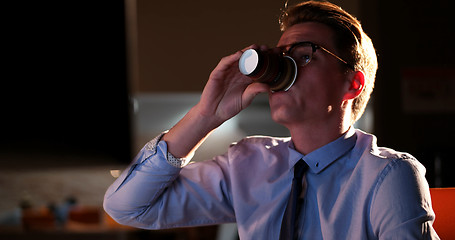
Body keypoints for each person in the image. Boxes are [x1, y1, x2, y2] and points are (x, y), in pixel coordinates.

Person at [104, 1, 439, 239]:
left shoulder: (386, 176)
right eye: (281, 58)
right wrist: (206, 115)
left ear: (352, 84)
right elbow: (127, 207)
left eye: (305, 56)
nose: (286, 71)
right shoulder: (250, 165)